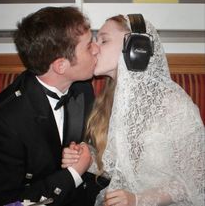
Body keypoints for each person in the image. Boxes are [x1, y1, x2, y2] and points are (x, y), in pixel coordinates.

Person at [62, 14, 205, 206]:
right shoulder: (108, 100)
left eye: (104, 40)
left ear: (136, 48)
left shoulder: (174, 104)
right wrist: (86, 157)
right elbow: (117, 167)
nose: (94, 49)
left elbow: (196, 177)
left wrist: (139, 200)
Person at [0, 6, 100, 206]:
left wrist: (84, 150)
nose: (97, 49)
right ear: (61, 66)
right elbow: (3, 201)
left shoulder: (82, 89)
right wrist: (73, 173)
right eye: (88, 45)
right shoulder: (2, 123)